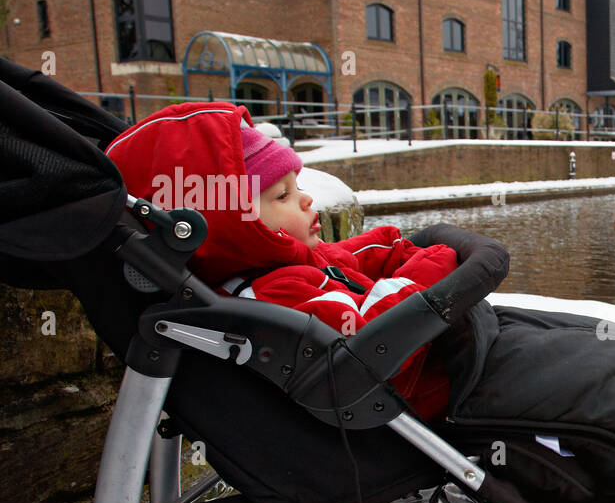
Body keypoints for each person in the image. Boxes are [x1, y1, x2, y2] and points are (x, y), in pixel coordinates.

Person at [106, 101, 461, 419]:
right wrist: (435, 268)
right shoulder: (275, 294)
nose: (307, 201)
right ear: (235, 223)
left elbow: (346, 257)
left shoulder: (285, 264)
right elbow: (377, 338)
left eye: (299, 187)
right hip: (431, 398)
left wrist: (399, 247)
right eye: (283, 195)